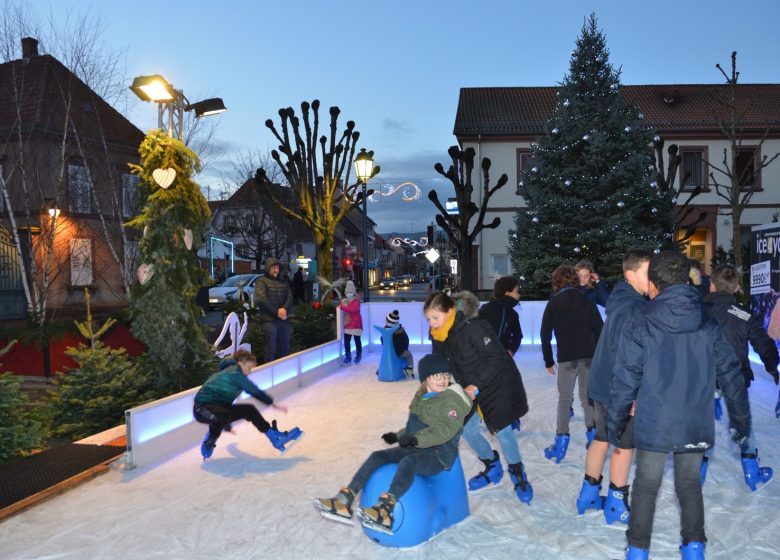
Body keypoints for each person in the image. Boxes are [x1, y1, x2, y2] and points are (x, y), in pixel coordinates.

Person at [608, 251, 751, 560]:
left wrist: (616, 421)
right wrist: (741, 422)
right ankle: (694, 547)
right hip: (693, 421)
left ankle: (637, 550)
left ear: (655, 284)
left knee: (646, 486)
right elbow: (732, 377)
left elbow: (625, 377)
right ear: (687, 281)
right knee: (689, 485)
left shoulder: (640, 320)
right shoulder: (708, 323)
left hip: (654, 422)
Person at [313, 353, 472, 534]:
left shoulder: (452, 400)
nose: (443, 380)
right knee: (377, 456)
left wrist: (415, 439)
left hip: (437, 455)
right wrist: (397, 436)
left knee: (408, 463)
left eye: (445, 375)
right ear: (426, 378)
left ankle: (385, 511)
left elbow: (444, 431)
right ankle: (344, 499)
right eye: (437, 375)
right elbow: (415, 427)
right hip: (416, 447)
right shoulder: (422, 397)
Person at [424, 291, 533, 505]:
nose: (432, 323)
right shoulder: (439, 334)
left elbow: (497, 358)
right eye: (428, 319)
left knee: (504, 432)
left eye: (435, 318)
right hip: (466, 388)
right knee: (467, 430)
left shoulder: (474, 326)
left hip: (494, 384)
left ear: (449, 311)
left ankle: (518, 473)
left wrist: (476, 385)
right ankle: (492, 466)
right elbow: (440, 363)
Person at [576, 249, 650, 526]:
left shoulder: (620, 299)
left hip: (602, 382)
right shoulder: (634, 308)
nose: (652, 278)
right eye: (647, 273)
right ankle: (616, 504)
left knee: (602, 437)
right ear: (631, 275)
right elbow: (627, 356)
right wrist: (630, 394)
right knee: (623, 444)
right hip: (617, 387)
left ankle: (589, 494)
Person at [701, 264, 776, 488]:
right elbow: (763, 344)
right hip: (734, 376)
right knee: (743, 423)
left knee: (700, 423)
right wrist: (772, 366)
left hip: (703, 376)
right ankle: (751, 471)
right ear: (735, 288)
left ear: (712, 285)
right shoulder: (744, 314)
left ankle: (696, 472)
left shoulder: (698, 309)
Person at [540, 265, 603, 463]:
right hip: (588, 357)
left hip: (567, 358)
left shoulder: (554, 302)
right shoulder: (586, 301)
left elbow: (544, 334)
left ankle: (561, 444)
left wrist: (548, 360)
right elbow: (600, 330)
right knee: (587, 399)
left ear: (557, 281)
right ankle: (593, 438)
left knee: (565, 399)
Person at [193, 350, 302, 460]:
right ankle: (210, 439)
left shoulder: (232, 372)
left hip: (218, 408)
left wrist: (226, 424)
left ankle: (274, 437)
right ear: (241, 363)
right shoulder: (234, 373)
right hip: (201, 408)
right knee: (224, 415)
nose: (250, 372)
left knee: (249, 410)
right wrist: (271, 403)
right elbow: (252, 389)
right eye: (249, 368)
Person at [254, 257, 293, 363]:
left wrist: (284, 309)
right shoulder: (261, 281)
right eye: (273, 268)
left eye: (277, 268)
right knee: (271, 349)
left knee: (284, 347)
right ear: (268, 268)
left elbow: (289, 297)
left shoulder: (283, 282)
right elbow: (262, 299)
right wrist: (276, 312)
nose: (276, 270)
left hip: (283, 319)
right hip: (269, 320)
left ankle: (282, 372)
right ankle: (269, 374)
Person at [478, 275, 523, 357]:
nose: (519, 295)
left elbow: (518, 335)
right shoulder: (488, 309)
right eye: (516, 292)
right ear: (507, 292)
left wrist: (511, 351)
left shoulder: (512, 313)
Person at [382, 309, 414, 378]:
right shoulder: (400, 331)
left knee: (384, 357)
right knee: (409, 355)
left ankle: (381, 370)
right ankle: (409, 373)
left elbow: (382, 341)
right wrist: (405, 349)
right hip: (399, 352)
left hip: (388, 353)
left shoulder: (384, 331)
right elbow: (406, 340)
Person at [339, 280, 363, 365]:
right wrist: (342, 306)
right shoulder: (344, 301)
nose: (348, 294)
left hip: (356, 324)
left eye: (350, 292)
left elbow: (353, 310)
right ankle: (348, 355)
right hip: (348, 324)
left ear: (353, 292)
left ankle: (358, 355)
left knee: (357, 340)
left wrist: (343, 307)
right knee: (346, 341)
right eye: (347, 292)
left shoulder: (356, 301)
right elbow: (341, 307)